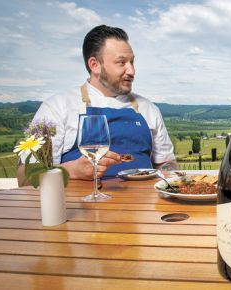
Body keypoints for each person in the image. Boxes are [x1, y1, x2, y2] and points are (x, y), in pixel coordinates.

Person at [17, 25, 175, 186]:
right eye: (121, 63)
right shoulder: (57, 107)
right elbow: (24, 179)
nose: (132, 71)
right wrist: (71, 170)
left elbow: (166, 164)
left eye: (132, 62)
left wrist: (171, 172)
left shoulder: (149, 109)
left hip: (143, 208)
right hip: (82, 209)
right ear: (94, 65)